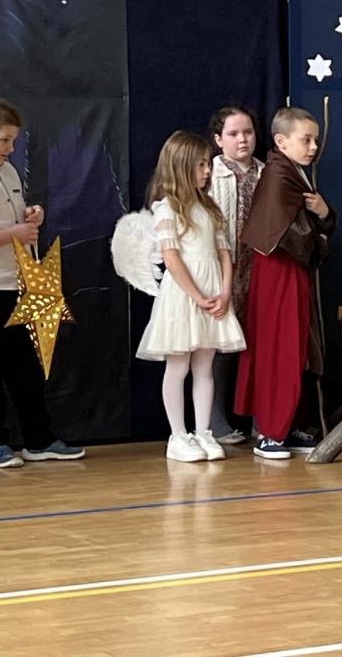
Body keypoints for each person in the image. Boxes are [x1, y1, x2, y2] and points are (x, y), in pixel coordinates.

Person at [0, 95, 85, 468]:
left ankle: (38, 439)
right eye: (4, 140)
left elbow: (15, 222)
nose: (10, 148)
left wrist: (31, 216)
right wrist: (14, 233)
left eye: (13, 141)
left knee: (26, 369)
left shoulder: (10, 173)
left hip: (18, 284)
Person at [136, 131, 245, 462]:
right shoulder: (167, 208)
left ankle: (203, 431)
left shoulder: (209, 208)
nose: (207, 170)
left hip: (212, 293)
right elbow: (171, 257)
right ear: (181, 166)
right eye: (200, 165)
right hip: (183, 297)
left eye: (207, 164)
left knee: (204, 366)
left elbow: (224, 254)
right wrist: (197, 296)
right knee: (179, 365)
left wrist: (224, 292)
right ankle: (178, 436)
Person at [236, 108, 335, 459]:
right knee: (280, 346)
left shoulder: (290, 173)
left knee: (296, 347)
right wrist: (322, 233)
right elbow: (291, 236)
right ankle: (270, 432)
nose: (314, 147)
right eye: (306, 140)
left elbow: (306, 226)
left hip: (289, 270)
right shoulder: (280, 176)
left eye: (315, 140)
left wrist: (324, 213)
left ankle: (288, 425)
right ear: (281, 141)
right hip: (280, 271)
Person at [206, 105, 263, 445]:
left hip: (259, 270)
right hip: (223, 270)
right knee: (220, 345)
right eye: (233, 134)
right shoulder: (210, 174)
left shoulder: (266, 173)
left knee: (258, 345)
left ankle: (262, 420)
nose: (242, 140)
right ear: (218, 139)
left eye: (248, 132)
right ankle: (215, 421)